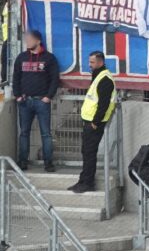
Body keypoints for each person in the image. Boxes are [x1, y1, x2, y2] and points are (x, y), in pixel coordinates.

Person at [11, 29, 59, 172]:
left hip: (42, 102)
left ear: (38, 41)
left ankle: (48, 163)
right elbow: (16, 78)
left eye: (30, 40)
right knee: (24, 133)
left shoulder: (49, 58)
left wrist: (48, 96)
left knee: (46, 133)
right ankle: (23, 162)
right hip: (24, 102)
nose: (28, 42)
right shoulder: (21, 57)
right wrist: (17, 95)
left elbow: (54, 79)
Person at [69, 49, 115, 192]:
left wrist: (96, 122)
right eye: (89, 61)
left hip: (94, 123)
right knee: (86, 152)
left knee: (89, 153)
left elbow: (104, 103)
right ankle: (83, 180)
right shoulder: (98, 75)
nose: (89, 64)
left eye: (92, 62)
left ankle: (87, 183)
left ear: (100, 62)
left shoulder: (105, 79)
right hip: (90, 121)